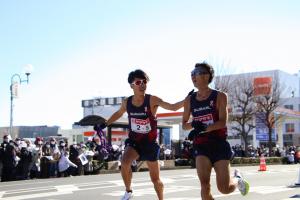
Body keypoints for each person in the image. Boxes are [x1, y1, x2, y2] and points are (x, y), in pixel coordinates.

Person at [101, 69, 185, 200]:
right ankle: (128, 191)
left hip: (150, 143)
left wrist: (187, 100)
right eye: (138, 82)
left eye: (144, 82)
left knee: (155, 179)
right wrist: (105, 124)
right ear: (131, 85)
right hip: (134, 141)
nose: (142, 85)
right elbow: (118, 113)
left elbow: (173, 107)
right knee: (124, 162)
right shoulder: (127, 102)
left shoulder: (152, 100)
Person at [182, 62, 249, 200]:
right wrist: (194, 124)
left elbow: (222, 122)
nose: (193, 76)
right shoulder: (189, 99)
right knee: (204, 186)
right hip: (201, 146)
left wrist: (203, 128)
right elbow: (184, 125)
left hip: (219, 144)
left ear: (207, 76)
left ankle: (237, 178)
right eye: (192, 74)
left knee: (224, 188)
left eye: (197, 73)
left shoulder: (220, 96)